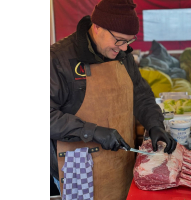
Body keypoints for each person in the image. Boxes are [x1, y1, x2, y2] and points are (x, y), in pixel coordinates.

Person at [50, 0, 177, 199]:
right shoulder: (57, 59)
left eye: (129, 41)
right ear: (98, 27)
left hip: (120, 166)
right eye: (119, 40)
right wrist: (93, 131)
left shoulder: (122, 55)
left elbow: (141, 96)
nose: (125, 48)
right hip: (76, 168)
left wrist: (155, 126)